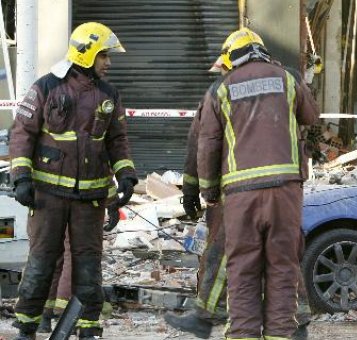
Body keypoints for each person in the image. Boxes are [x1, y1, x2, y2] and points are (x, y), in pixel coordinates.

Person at [164, 40, 313, 340]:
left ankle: (232, 330)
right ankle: (286, 332)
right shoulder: (286, 78)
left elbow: (203, 147)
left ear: (231, 59)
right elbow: (312, 117)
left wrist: (206, 194)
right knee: (282, 266)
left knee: (241, 269)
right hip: (285, 191)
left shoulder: (220, 89)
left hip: (240, 194)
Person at [9, 22, 137, 339]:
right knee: (41, 262)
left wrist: (126, 175)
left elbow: (117, 141)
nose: (108, 62)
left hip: (89, 199)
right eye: (104, 55)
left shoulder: (109, 95)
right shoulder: (46, 87)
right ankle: (27, 326)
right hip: (47, 196)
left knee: (89, 267)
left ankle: (88, 328)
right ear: (86, 53)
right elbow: (21, 134)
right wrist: (21, 176)